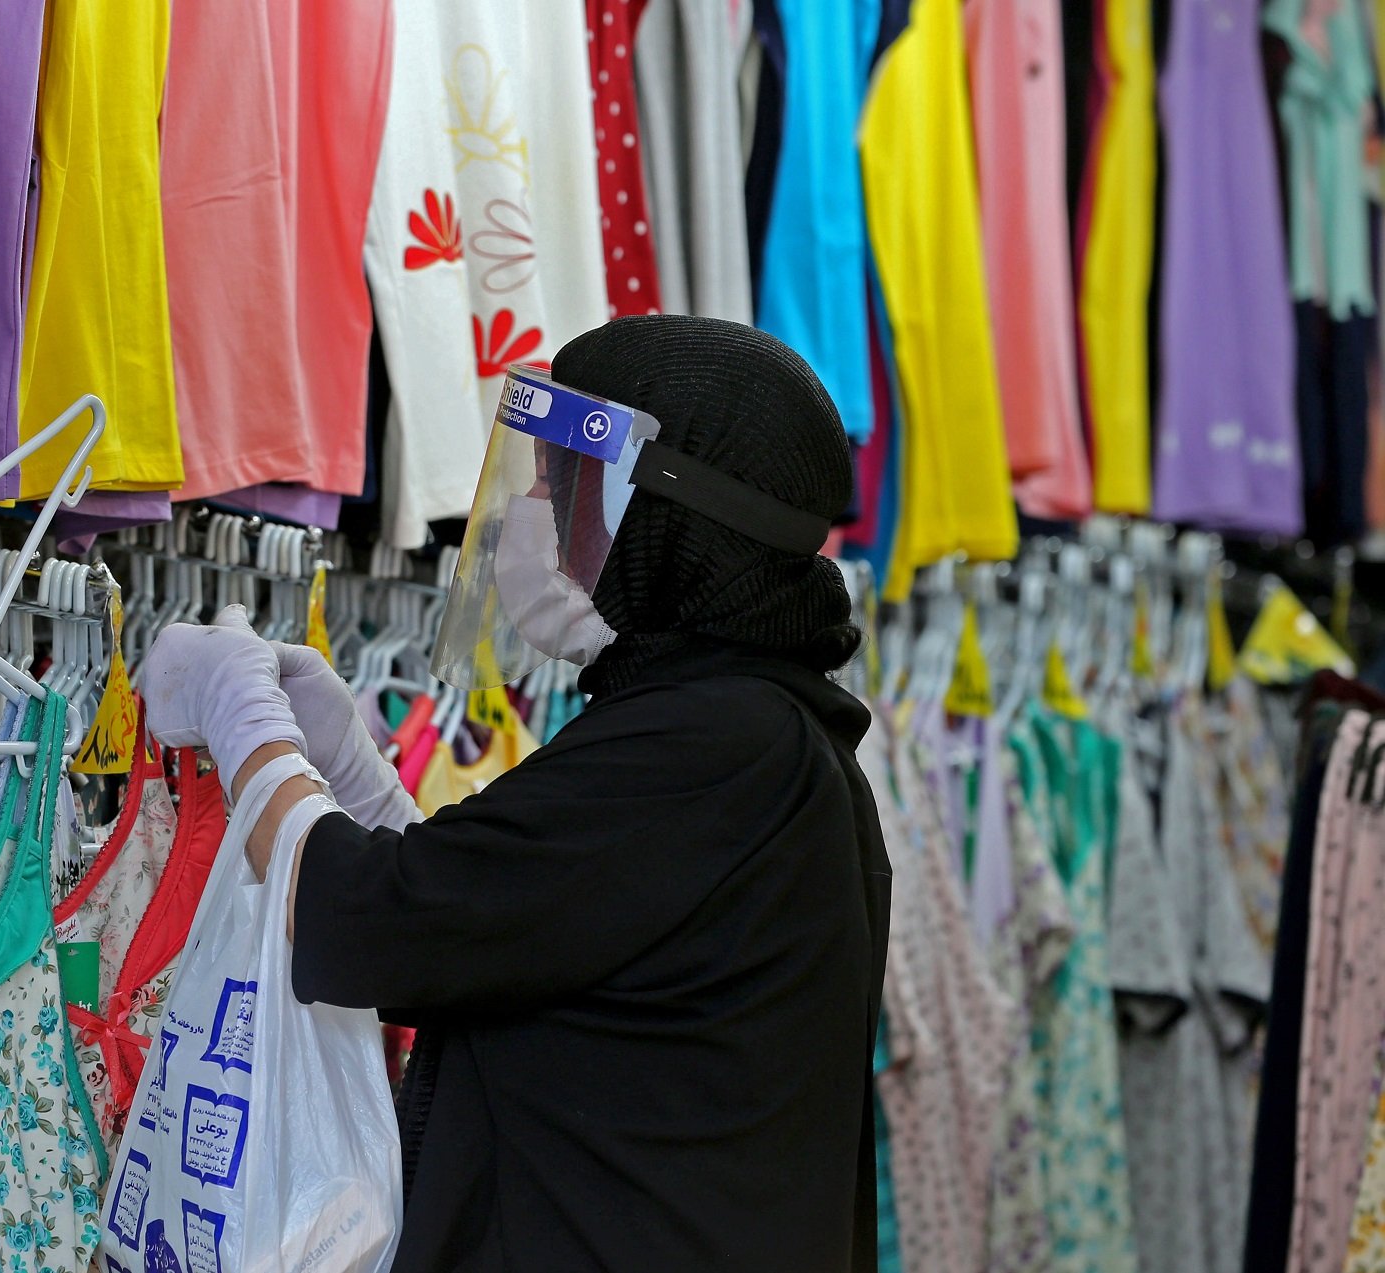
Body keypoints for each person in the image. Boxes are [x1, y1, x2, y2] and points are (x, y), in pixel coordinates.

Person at [139, 315, 892, 1272]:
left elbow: (377, 921)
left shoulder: (711, 746)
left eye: (558, 484)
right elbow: (500, 917)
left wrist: (245, 721)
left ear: (664, 516)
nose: (532, 510)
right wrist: (352, 771)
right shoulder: (762, 736)